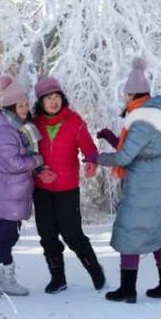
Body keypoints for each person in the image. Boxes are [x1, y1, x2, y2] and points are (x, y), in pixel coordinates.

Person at [95, 57, 161, 303]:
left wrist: (96, 157)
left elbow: (124, 157)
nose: (123, 99)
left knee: (131, 233)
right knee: (156, 232)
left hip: (142, 185)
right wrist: (112, 137)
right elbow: (140, 149)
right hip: (157, 182)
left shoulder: (141, 119)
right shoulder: (153, 114)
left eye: (125, 95)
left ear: (132, 95)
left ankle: (128, 290)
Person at [31, 76, 106, 293]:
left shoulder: (74, 121)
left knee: (72, 234)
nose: (53, 102)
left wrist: (91, 162)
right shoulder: (35, 124)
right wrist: (38, 171)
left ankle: (95, 270)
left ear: (62, 98)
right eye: (48, 98)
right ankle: (58, 278)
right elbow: (26, 153)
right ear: (41, 102)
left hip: (67, 189)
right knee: (47, 235)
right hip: (42, 188)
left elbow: (89, 148)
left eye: (56, 97)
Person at [0, 74, 44, 296]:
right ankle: (4, 278)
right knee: (7, 236)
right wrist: (36, 160)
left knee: (8, 235)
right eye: (20, 105)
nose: (25, 109)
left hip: (14, 192)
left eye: (26, 104)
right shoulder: (5, 131)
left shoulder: (18, 127)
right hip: (8, 191)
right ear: (10, 106)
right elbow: (12, 162)